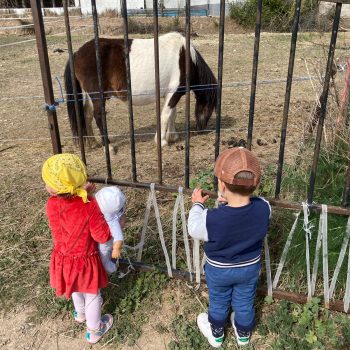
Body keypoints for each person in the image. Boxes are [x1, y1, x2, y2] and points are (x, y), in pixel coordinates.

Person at [188, 147, 271, 348]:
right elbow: (257, 203)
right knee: (244, 300)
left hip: (219, 270)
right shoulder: (263, 209)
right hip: (249, 268)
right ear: (256, 183)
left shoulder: (212, 219)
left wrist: (197, 205)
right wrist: (232, 200)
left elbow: (194, 228)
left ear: (221, 185)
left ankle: (216, 334)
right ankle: (243, 335)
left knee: (218, 300)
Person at [42, 153, 114, 344]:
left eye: (48, 183)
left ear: (58, 188)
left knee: (75, 287)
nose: (45, 187)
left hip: (64, 258)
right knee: (92, 294)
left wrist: (83, 194)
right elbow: (101, 236)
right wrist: (90, 198)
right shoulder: (88, 205)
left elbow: (68, 204)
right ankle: (94, 330)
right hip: (85, 259)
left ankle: (80, 314)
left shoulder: (51, 204)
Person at [95, 186, 126, 274]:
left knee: (103, 256)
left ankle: (109, 268)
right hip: (101, 237)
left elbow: (118, 236)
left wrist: (116, 248)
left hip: (105, 243)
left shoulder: (112, 220)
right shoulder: (117, 210)